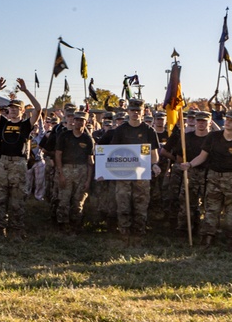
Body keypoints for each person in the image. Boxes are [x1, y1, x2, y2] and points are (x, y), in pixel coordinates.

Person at [181, 110, 232, 248]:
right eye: (227, 119)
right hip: (214, 178)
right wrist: (189, 164)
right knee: (211, 210)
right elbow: (202, 156)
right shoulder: (213, 137)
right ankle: (208, 238)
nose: (227, 122)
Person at [97, 99, 162, 239]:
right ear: (128, 111)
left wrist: (154, 164)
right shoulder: (120, 130)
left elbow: (154, 154)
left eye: (138, 111)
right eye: (132, 110)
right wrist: (104, 171)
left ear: (143, 112)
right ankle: (124, 233)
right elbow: (113, 153)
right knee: (123, 204)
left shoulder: (149, 130)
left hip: (141, 175)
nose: (135, 113)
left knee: (141, 205)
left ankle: (139, 233)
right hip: (123, 175)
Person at [0, 77, 42, 239]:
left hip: (19, 163)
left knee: (17, 199)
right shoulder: (3, 122)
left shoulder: (25, 125)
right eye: (11, 108)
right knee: (1, 197)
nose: (13, 110)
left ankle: (17, 229)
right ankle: (0, 229)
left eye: (17, 108)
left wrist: (25, 91)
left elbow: (38, 109)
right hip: (4, 162)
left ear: (22, 111)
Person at [54, 111, 94, 231]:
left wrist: (88, 180)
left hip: (82, 171)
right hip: (66, 169)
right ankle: (62, 225)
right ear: (73, 121)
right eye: (76, 120)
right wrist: (60, 174)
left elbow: (90, 161)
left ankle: (75, 225)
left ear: (85, 122)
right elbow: (58, 155)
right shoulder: (64, 135)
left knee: (78, 201)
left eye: (81, 120)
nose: (78, 122)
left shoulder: (88, 139)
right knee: (64, 199)